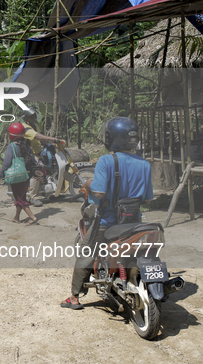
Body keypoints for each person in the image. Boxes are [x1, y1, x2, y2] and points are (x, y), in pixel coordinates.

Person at [60, 117, 154, 310]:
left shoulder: (106, 161)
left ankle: (75, 297)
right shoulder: (144, 164)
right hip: (133, 222)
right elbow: (147, 200)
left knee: (87, 251)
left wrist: (87, 184)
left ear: (111, 138)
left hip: (107, 222)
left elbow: (100, 192)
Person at [0, 122, 38, 226]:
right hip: (25, 176)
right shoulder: (25, 145)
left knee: (20, 199)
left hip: (16, 177)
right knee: (20, 197)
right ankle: (16, 217)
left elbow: (7, 163)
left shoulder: (11, 146)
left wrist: (0, 176)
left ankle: (32, 217)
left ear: (11, 135)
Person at [21, 107, 64, 207]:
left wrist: (50, 143)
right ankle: (33, 197)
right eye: (31, 116)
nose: (33, 117)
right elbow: (37, 136)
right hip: (30, 155)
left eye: (34, 115)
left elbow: (41, 139)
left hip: (39, 152)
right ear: (25, 118)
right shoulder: (26, 128)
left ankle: (54, 192)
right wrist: (51, 138)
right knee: (37, 172)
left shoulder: (35, 126)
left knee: (53, 165)